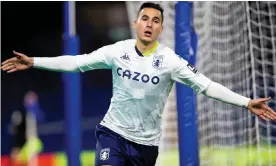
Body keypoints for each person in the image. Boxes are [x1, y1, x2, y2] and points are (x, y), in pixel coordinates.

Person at [2, 2, 276, 166]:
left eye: (156, 21)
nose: (149, 24)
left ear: (160, 28)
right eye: (145, 18)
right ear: (136, 23)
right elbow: (76, 62)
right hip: (113, 134)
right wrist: (35, 61)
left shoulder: (170, 60)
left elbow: (205, 85)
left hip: (146, 146)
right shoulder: (116, 51)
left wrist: (245, 102)